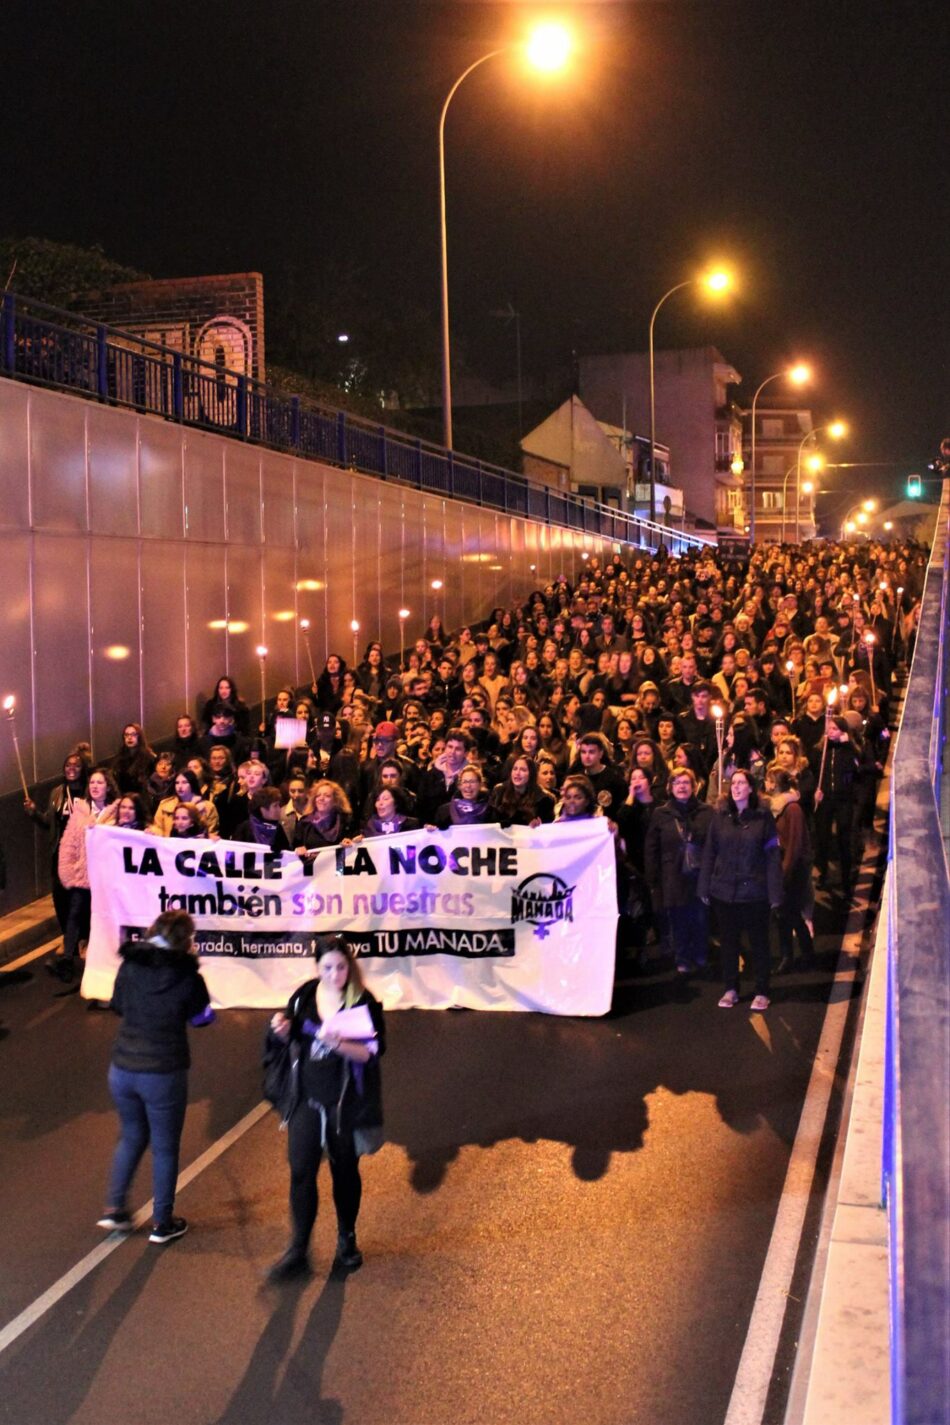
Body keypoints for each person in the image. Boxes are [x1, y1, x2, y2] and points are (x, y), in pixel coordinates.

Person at [264, 935, 385, 1280]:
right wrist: (282, 1030)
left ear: (350, 966)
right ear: (317, 968)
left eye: (341, 967)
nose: (335, 975)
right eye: (327, 968)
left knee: (344, 1172)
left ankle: (346, 1239)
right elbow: (290, 1040)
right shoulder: (303, 996)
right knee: (301, 1172)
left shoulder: (363, 1002)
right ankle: (298, 1248)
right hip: (306, 1100)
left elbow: (371, 1053)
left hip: (344, 1104)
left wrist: (341, 1044)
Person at [97, 909, 212, 1244]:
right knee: (165, 1147)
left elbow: (117, 1005)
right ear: (186, 940)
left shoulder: (130, 965)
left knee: (131, 1135)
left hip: (122, 1069)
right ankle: (163, 1222)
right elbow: (201, 1018)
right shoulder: (187, 976)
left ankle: (115, 1209)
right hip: (163, 1072)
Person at [698, 769, 784, 1012]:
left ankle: (762, 990)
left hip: (754, 893)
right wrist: (705, 885)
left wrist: (775, 892)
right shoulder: (720, 817)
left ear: (750, 788)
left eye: (741, 783)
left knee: (759, 943)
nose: (735, 787)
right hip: (724, 892)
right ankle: (731, 988)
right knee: (729, 943)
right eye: (733, 783)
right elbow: (710, 853)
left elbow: (772, 857)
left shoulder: (763, 818)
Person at [644, 769, 714, 978]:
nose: (681, 786)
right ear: (670, 787)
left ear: (694, 787)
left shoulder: (706, 812)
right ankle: (682, 956)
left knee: (700, 916)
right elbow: (651, 846)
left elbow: (711, 842)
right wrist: (652, 877)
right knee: (678, 918)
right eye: (676, 783)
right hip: (672, 874)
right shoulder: (661, 813)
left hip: (699, 873)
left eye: (685, 782)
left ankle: (701, 953)